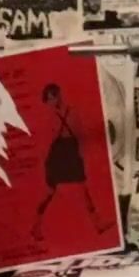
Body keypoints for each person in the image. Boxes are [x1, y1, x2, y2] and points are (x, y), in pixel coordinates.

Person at [30, 83, 112, 241]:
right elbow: (47, 140)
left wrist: (82, 153)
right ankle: (36, 226)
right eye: (49, 99)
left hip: (71, 152)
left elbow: (80, 133)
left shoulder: (72, 111)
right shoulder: (50, 117)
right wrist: (46, 161)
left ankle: (98, 224)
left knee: (84, 189)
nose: (52, 101)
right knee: (49, 192)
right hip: (57, 155)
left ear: (59, 95)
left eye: (53, 97)